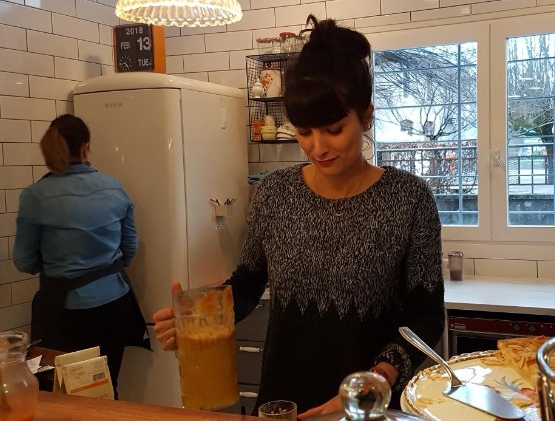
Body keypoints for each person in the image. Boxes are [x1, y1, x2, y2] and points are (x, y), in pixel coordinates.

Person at [153, 15, 445, 418]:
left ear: (366, 116)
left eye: (333, 129)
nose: (317, 147)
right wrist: (202, 315)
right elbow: (248, 284)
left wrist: (377, 378)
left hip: (364, 406)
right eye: (304, 131)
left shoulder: (409, 198)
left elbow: (426, 317)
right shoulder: (274, 194)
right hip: (282, 404)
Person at [13, 114, 149, 396]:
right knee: (106, 387)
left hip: (63, 311)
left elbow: (23, 261)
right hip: (114, 305)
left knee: (60, 392)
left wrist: (57, 268)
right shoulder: (114, 187)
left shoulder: (35, 196)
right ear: (86, 147)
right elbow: (129, 249)